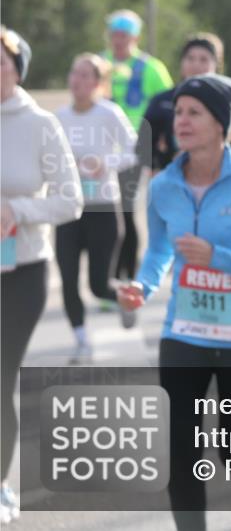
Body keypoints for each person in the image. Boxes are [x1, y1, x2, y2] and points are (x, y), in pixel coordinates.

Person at [116, 74, 231, 531]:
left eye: (194, 112)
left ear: (222, 124)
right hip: (185, 332)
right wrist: (143, 284)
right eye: (178, 112)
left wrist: (220, 258)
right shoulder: (164, 186)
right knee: (181, 449)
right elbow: (159, 250)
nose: (182, 120)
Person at [1, 27, 83, 523]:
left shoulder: (40, 125)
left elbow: (71, 200)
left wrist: (16, 209)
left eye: (2, 60)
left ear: (18, 67)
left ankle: (2, 485)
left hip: (22, 270)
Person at [55, 53, 138, 362]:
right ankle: (81, 341)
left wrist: (105, 163)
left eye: (85, 75)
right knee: (68, 278)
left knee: (98, 285)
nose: (76, 80)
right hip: (69, 208)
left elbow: (133, 152)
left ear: (99, 84)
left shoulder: (109, 113)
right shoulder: (59, 117)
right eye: (73, 73)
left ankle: (125, 298)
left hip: (103, 207)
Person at [101, 9, 173, 283]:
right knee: (107, 213)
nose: (118, 40)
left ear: (135, 37)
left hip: (136, 150)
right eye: (114, 35)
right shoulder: (100, 64)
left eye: (124, 35)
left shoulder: (152, 68)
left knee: (125, 210)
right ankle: (109, 273)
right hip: (103, 150)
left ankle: (127, 273)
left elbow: (169, 106)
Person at [143, 32, 231, 171]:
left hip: (222, 180)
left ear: (217, 65)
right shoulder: (162, 100)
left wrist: (222, 165)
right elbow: (143, 146)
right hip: (174, 180)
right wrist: (162, 168)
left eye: (204, 59)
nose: (196, 65)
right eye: (190, 58)